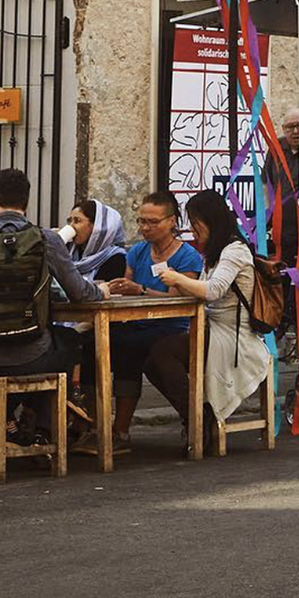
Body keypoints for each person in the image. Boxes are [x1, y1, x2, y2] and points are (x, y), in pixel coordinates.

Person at [0, 168, 107, 472]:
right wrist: (102, 291)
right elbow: (80, 293)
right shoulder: (46, 240)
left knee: (15, 368)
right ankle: (42, 431)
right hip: (31, 356)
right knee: (68, 342)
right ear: (27, 203)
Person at [153, 189, 274, 445]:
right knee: (152, 356)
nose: (194, 232)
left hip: (233, 336)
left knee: (162, 353)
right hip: (211, 328)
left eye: (196, 224)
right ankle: (195, 415)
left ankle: (198, 417)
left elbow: (213, 290)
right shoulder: (214, 254)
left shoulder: (235, 251)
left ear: (211, 221)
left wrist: (178, 278)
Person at [99, 191, 205, 450]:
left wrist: (141, 291)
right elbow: (128, 287)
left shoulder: (186, 256)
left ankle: (121, 428)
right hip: (137, 323)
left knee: (130, 348)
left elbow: (178, 300)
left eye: (152, 222)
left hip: (172, 326)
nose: (145, 228)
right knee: (100, 343)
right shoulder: (136, 252)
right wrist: (120, 288)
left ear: (171, 221)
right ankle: (95, 424)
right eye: (141, 221)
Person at [63, 198, 127, 283]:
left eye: (77, 221)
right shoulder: (67, 251)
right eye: (69, 221)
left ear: (96, 227)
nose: (71, 226)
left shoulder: (116, 259)